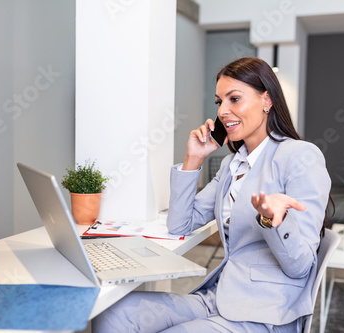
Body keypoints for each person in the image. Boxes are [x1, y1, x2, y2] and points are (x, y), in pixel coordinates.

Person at [92, 57, 331, 332]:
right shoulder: (233, 164)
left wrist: (275, 221)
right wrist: (193, 158)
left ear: (267, 100)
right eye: (220, 102)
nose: (223, 112)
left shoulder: (300, 156)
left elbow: (300, 266)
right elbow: (180, 224)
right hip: (219, 297)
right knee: (113, 312)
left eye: (234, 99)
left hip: (264, 313)